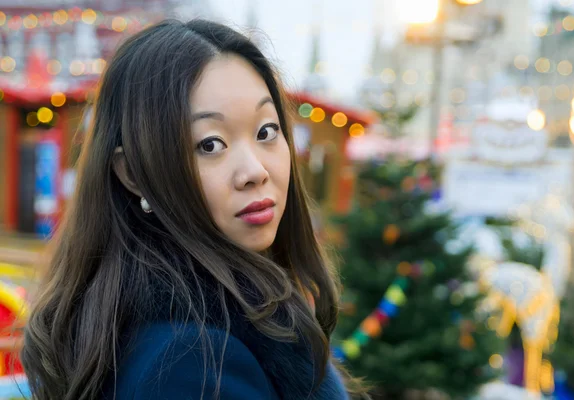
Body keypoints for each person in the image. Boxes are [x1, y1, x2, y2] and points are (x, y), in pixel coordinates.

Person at [21, 19, 368, 400]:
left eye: (266, 131)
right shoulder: (192, 363)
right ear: (133, 173)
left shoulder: (143, 325)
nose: (255, 170)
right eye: (210, 145)